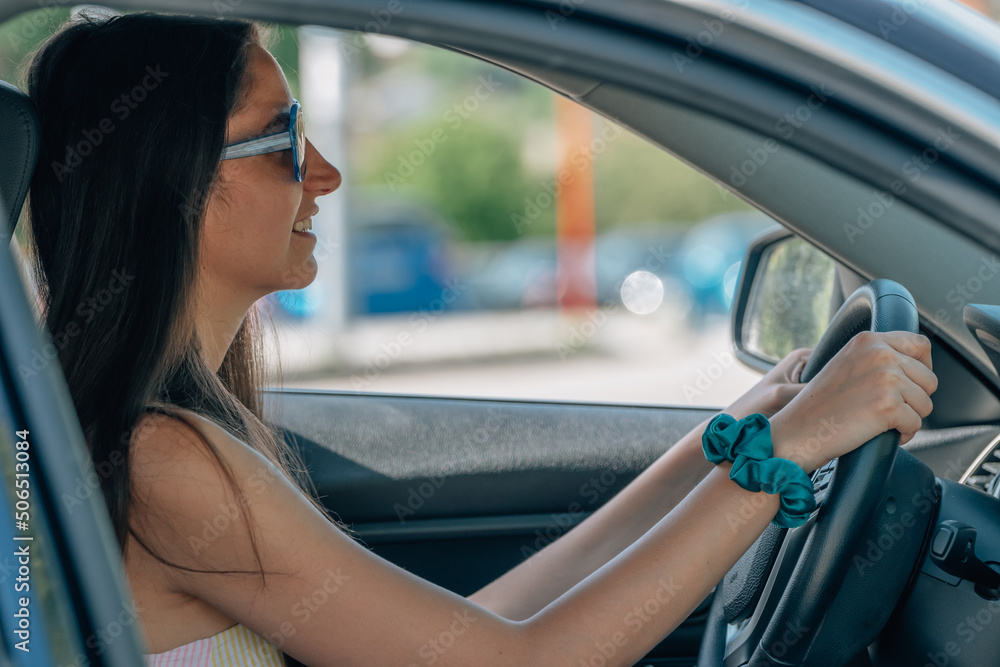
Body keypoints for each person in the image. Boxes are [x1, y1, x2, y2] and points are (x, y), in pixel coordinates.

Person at [21, 11, 937, 667]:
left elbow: (472, 633)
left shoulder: (177, 433)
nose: (327, 174)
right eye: (284, 137)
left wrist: (717, 446)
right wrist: (785, 451)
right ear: (172, 179)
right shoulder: (165, 462)